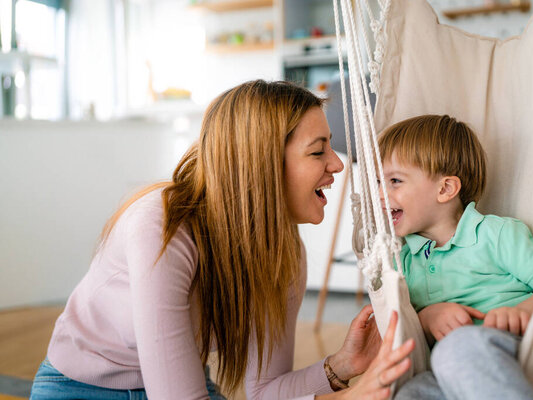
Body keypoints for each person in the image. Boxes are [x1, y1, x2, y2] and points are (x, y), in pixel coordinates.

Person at [29, 80, 416, 400]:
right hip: (80, 390)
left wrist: (342, 366)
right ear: (261, 163)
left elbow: (264, 390)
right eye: (318, 151)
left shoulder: (283, 253)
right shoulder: (162, 229)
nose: (336, 163)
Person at [375, 115, 533, 399]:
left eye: (394, 181)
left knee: (455, 349)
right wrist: (426, 317)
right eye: (377, 181)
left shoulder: (495, 235)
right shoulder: (403, 260)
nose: (379, 194)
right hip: (449, 371)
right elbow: (402, 329)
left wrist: (523, 310)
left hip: (518, 347)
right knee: (410, 393)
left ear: (445, 189)